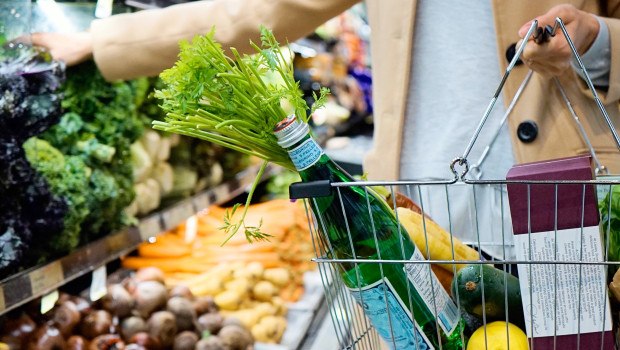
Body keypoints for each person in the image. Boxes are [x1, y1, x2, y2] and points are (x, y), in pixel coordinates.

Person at [28, 1, 620, 259]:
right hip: (414, 216)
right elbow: (253, 14)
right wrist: (103, 42)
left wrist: (597, 43)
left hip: (567, 207)